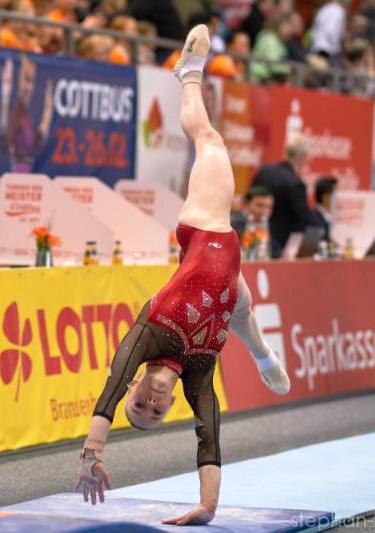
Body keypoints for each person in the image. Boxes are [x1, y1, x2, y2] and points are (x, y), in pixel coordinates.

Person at [74, 25, 291, 527]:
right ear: (170, 403)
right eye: (156, 411)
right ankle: (262, 354)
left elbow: (109, 390)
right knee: (241, 309)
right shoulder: (195, 374)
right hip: (226, 286)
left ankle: (189, 74)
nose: (150, 403)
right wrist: (208, 507)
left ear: (136, 387)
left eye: (139, 404)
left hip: (206, 231)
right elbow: (208, 435)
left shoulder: (148, 336)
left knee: (209, 140)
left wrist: (91, 453)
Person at [251, 134, 314, 258]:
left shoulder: (264, 171)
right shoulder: (296, 184)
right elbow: (305, 220)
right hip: (280, 249)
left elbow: (250, 197)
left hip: (254, 240)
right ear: (303, 156)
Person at [309, 176, 338, 243]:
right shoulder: (313, 220)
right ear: (325, 197)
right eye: (335, 194)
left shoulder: (327, 218)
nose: (337, 197)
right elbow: (310, 246)